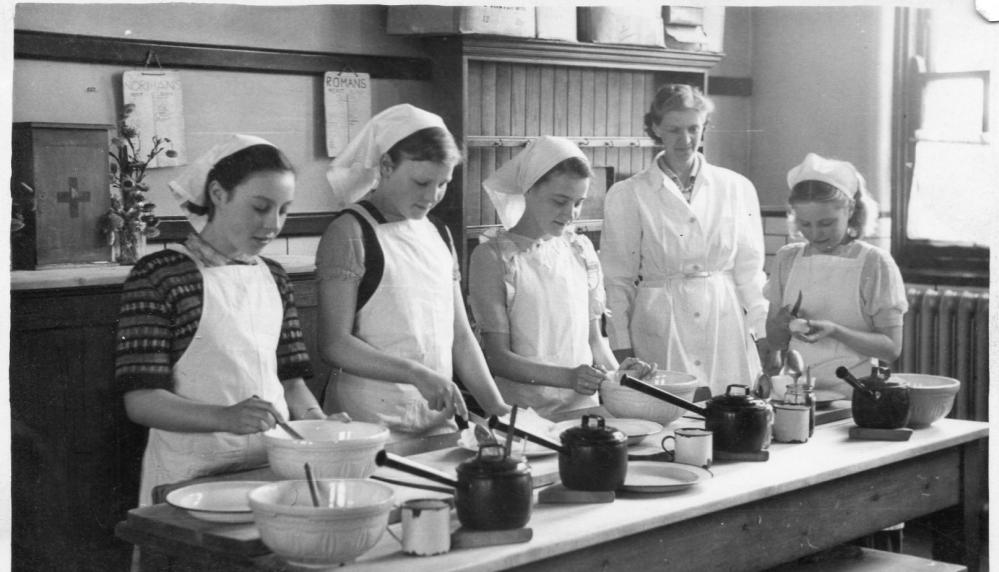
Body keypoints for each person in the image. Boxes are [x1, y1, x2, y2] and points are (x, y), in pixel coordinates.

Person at [116, 135, 341, 507]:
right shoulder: (161, 275)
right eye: (260, 207)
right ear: (218, 194)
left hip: (272, 471)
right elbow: (141, 401)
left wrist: (320, 425)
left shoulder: (275, 276)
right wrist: (225, 417)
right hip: (189, 481)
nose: (273, 225)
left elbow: (291, 384)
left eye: (284, 210)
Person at [317, 104, 510, 440]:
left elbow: (460, 337)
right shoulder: (351, 232)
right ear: (387, 166)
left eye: (442, 184)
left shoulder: (438, 233)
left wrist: (498, 410)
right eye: (421, 182)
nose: (431, 196)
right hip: (369, 423)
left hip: (436, 420)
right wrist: (415, 373)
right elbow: (334, 344)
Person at [600, 83, 770, 396]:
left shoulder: (737, 187)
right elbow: (617, 280)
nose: (686, 140)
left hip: (724, 322)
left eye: (694, 128)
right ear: (655, 128)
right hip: (660, 324)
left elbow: (750, 272)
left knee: (730, 411)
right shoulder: (628, 194)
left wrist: (762, 331)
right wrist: (622, 347)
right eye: (674, 129)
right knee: (671, 415)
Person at [467, 136, 654, 420]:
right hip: (525, 418)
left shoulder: (581, 250)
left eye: (578, 203)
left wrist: (620, 377)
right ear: (529, 190)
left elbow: (595, 341)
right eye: (560, 201)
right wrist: (568, 377)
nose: (570, 214)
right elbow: (497, 358)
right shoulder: (493, 258)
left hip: (587, 412)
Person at [764, 153, 907, 397]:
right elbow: (776, 341)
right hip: (796, 390)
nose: (816, 233)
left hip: (855, 391)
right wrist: (781, 324)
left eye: (826, 223)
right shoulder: (787, 259)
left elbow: (891, 348)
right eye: (805, 224)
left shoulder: (874, 263)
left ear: (850, 208)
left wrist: (835, 330)